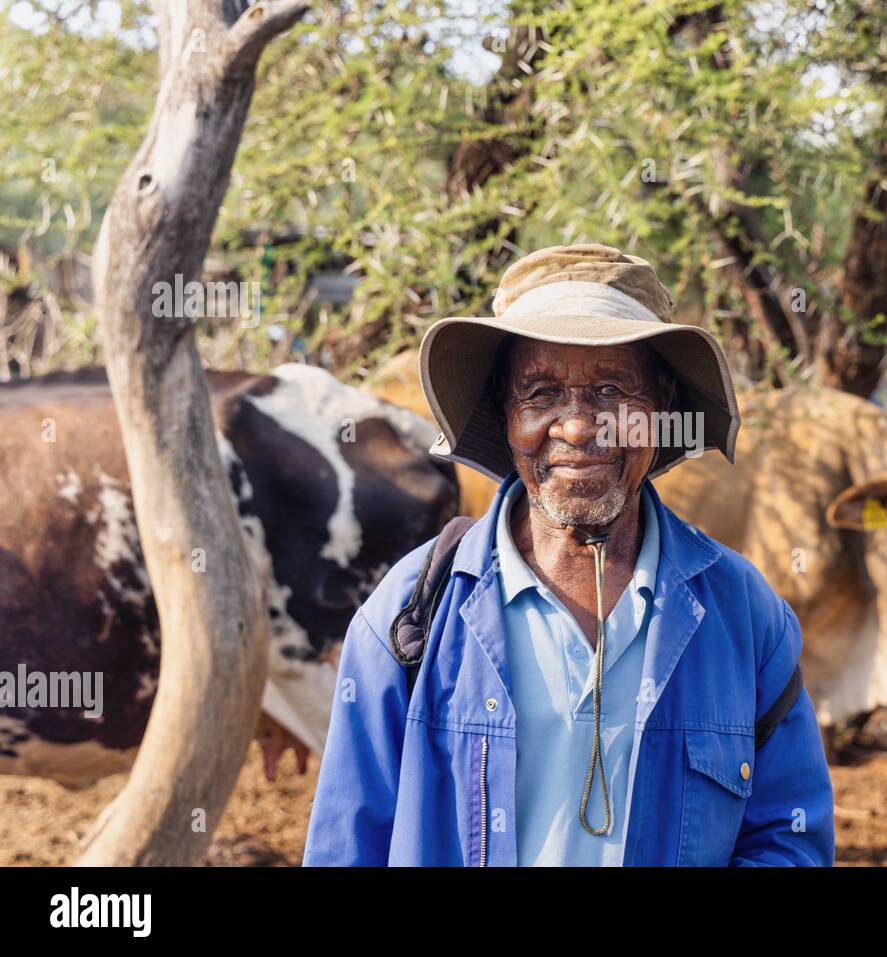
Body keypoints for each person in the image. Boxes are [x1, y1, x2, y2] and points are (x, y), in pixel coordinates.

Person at [303, 243, 833, 866]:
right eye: (543, 393)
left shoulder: (744, 617)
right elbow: (346, 850)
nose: (579, 428)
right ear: (505, 408)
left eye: (611, 389)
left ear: (660, 405)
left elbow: (788, 842)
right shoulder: (410, 616)